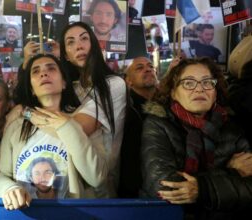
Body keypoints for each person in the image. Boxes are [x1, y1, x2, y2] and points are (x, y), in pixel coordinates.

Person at [0, 54, 108, 210]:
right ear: (32, 89)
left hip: (72, 214)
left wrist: (68, 126)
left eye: (51, 68)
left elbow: (96, 177)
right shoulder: (17, 126)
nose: (44, 73)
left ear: (64, 82)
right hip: (27, 213)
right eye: (36, 71)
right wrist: (8, 188)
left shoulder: (83, 121)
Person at [141, 57, 252, 218]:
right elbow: (164, 187)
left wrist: (200, 189)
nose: (199, 89)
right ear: (173, 92)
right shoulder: (158, 124)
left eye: (207, 82)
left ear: (216, 92)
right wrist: (231, 173)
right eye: (188, 83)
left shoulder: (230, 126)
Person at [60, 22, 126, 197]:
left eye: (84, 39)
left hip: (101, 189)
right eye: (71, 42)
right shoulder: (67, 90)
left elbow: (78, 129)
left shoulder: (114, 85)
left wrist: (29, 115)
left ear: (94, 45)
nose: (79, 46)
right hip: (67, 186)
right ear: (65, 55)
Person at [118, 56, 158, 197]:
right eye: (139, 68)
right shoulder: (125, 109)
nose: (147, 69)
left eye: (150, 66)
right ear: (128, 81)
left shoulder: (169, 104)